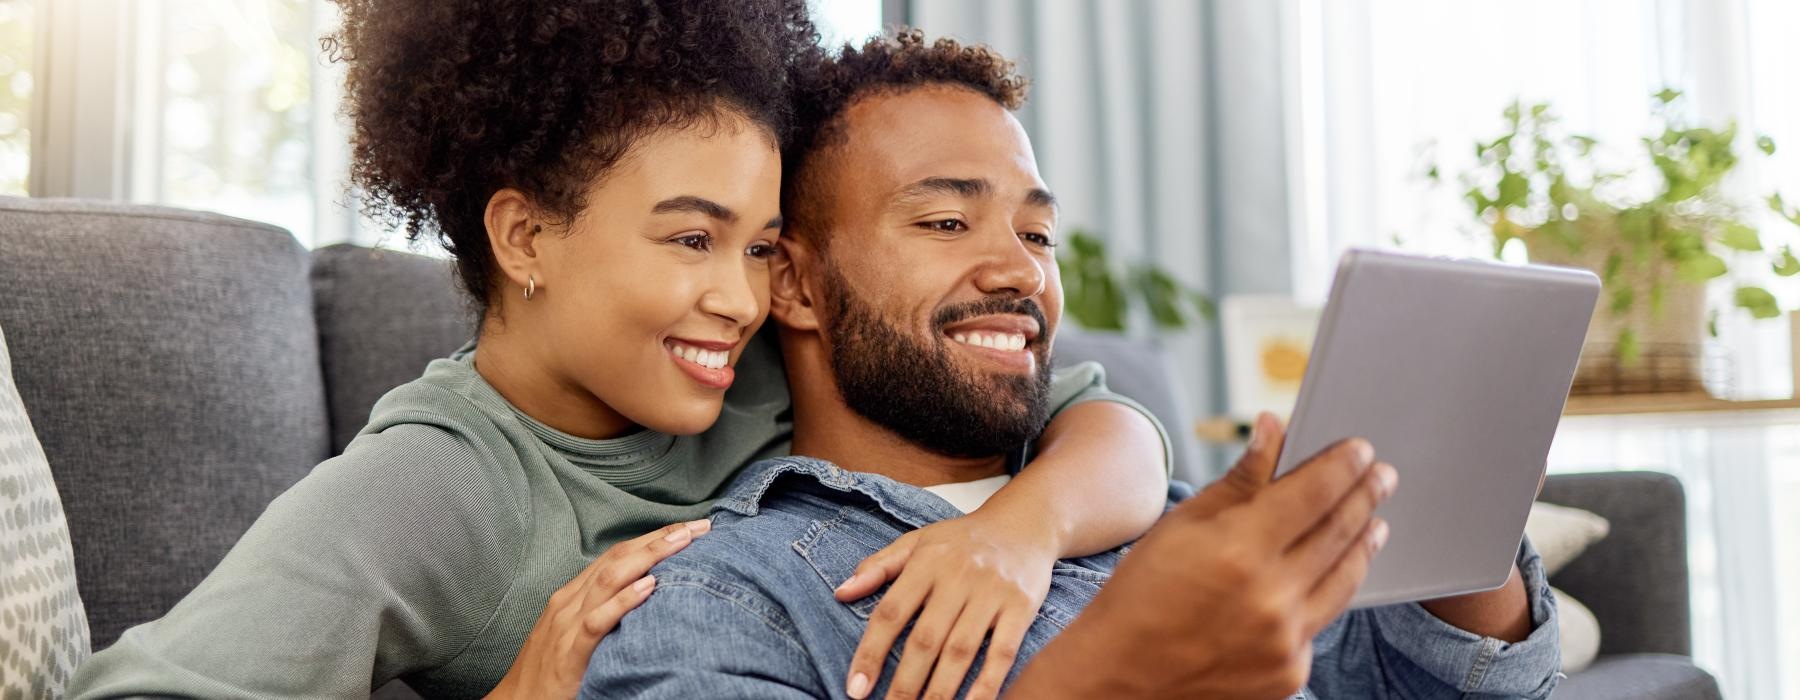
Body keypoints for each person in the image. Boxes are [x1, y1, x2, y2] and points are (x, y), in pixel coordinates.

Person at [67, 5, 1175, 699]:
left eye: (756, 248)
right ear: (525, 237)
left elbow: (1102, 419)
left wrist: (1025, 530)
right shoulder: (438, 487)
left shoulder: (743, 354)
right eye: (692, 238)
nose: (739, 297)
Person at [581, 29, 1562, 700]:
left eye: (1038, 233)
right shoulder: (724, 597)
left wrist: (1465, 507)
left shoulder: (1169, 519)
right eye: (946, 221)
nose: (1019, 269)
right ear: (792, 284)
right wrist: (1110, 672)